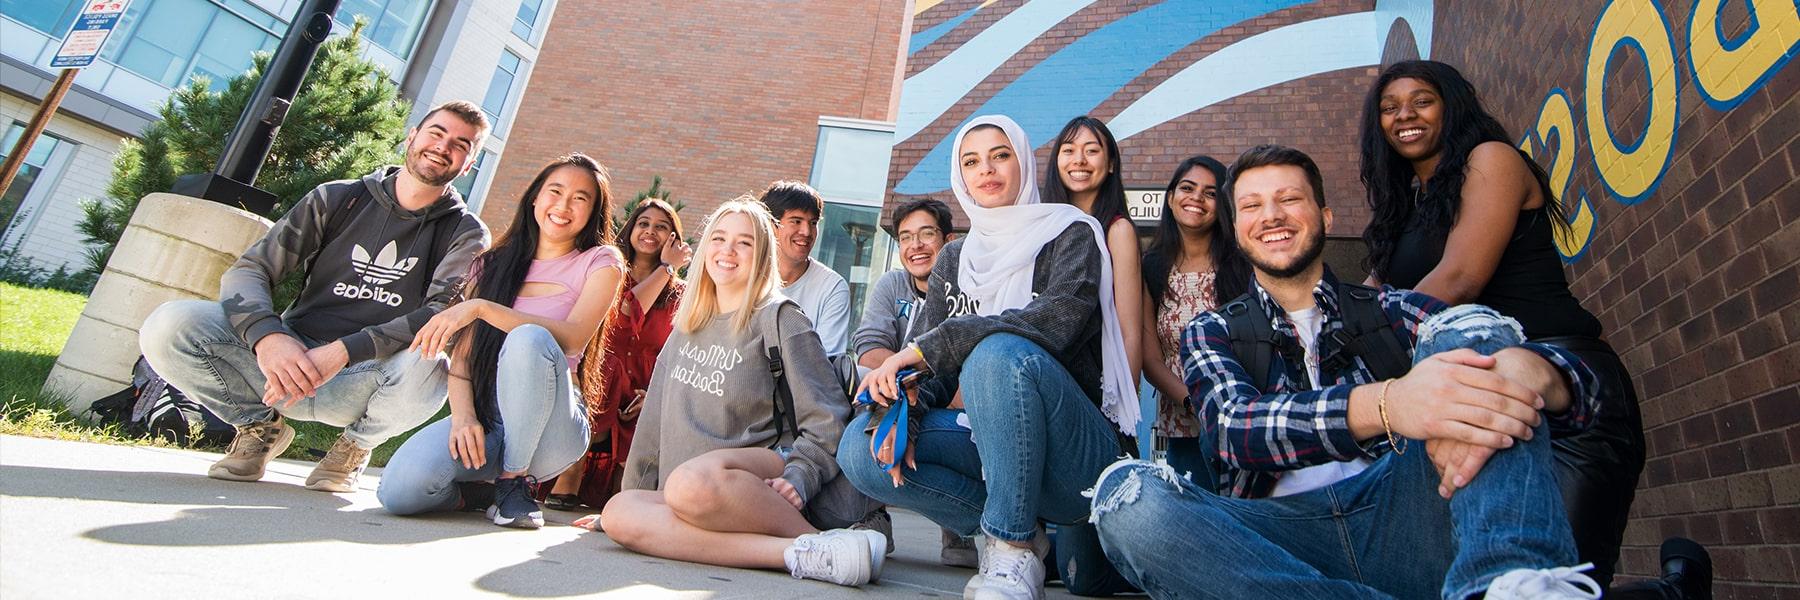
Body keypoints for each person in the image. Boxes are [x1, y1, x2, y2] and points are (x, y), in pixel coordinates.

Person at [1090, 144, 1604, 599]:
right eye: (1252, 206)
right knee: (1126, 498)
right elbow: (1232, 431)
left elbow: (1584, 392)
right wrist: (1390, 404)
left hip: (1409, 511)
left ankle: (1507, 577)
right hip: (1277, 536)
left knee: (1472, 332)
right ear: (1239, 232)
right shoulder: (1212, 330)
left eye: (1289, 199)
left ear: (1326, 216)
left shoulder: (1394, 309)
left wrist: (1534, 372)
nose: (1272, 216)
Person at [1358, 59, 1647, 590]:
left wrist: (1366, 351)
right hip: (1474, 395)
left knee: (1552, 581)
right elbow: (1369, 307)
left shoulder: (1491, 160)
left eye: (1422, 100)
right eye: (1389, 108)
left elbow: (1461, 278)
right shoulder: (1403, 213)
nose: (1405, 116)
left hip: (1561, 386)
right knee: (1495, 583)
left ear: (1452, 104)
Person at [841, 115, 1139, 600]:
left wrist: (933, 348)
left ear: (1022, 161)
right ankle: (1014, 540)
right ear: (961, 177)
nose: (987, 170)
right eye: (971, 161)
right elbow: (931, 370)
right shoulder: (955, 258)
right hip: (993, 447)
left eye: (1000, 155)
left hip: (1074, 450)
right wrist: (904, 407)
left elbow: (1055, 324)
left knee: (995, 352)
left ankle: (1012, 537)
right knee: (862, 445)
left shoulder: (1072, 233)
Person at [140, 101, 491, 492]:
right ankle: (259, 428)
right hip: (286, 366)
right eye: (436, 133)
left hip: (366, 378)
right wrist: (270, 338)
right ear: (412, 135)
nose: (443, 147)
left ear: (470, 163)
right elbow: (251, 269)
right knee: (169, 324)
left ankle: (352, 448)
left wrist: (342, 351)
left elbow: (439, 314)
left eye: (460, 144)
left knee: (432, 366)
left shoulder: (467, 233)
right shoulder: (337, 199)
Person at [581, 198, 886, 588]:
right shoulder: (687, 324)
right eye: (719, 238)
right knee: (620, 511)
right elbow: (654, 423)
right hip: (689, 494)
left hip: (758, 477)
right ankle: (809, 552)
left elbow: (826, 419)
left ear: (762, 255)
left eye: (743, 243)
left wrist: (801, 477)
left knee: (689, 483)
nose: (727, 251)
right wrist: (641, 496)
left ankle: (807, 533)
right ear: (705, 246)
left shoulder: (781, 318)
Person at [376, 154, 623, 528]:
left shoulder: (601, 261)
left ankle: (514, 481)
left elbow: (573, 340)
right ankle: (483, 494)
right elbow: (462, 364)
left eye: (580, 198)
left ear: (594, 211)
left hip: (552, 428)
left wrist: (481, 308)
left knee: (529, 339)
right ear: (535, 198)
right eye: (555, 191)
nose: (563, 205)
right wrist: (463, 419)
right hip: (489, 418)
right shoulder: (490, 265)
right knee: (400, 491)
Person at [847, 197, 976, 568]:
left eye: (925, 234)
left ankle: (956, 527)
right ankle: (874, 516)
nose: (915, 246)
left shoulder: (966, 287)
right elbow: (869, 349)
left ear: (948, 240)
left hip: (953, 401)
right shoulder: (892, 285)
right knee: (865, 393)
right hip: (902, 393)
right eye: (905, 237)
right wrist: (904, 379)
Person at [545, 198, 690, 511]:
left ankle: (621, 496)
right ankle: (569, 475)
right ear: (631, 229)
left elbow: (681, 351)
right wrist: (667, 267)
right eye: (644, 223)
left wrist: (652, 393)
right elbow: (626, 313)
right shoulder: (608, 270)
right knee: (607, 373)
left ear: (673, 239)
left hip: (644, 386)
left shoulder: (681, 293)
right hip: (600, 376)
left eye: (662, 227)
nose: (651, 231)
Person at [1139, 155, 1246, 477]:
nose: (1197, 198)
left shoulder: (1241, 265)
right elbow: (1150, 358)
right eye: (1187, 188)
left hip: (1241, 417)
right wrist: (1194, 402)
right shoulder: (1152, 267)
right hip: (1182, 422)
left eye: (1210, 193)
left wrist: (1223, 405)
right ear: (1170, 198)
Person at [761, 181, 851, 359]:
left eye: (813, 223)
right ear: (771, 225)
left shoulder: (832, 288)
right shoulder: (744, 275)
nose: (807, 232)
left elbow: (825, 364)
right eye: (796, 221)